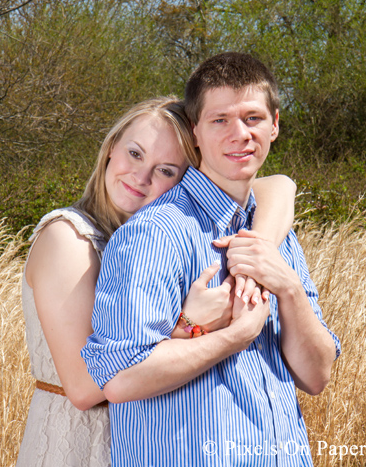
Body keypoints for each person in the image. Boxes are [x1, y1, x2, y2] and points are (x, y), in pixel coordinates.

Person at [82, 53, 341, 466]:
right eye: (220, 120)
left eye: (253, 118)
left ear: (275, 125)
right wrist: (235, 336)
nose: (240, 134)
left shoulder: (276, 237)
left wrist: (287, 287)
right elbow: (120, 377)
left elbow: (316, 376)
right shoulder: (157, 233)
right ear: (195, 132)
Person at [17, 96, 298, 467]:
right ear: (111, 147)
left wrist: (253, 255)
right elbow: (86, 387)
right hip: (81, 442)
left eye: (166, 170)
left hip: (144, 440)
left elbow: (279, 185)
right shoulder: (68, 239)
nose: (141, 176)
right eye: (134, 154)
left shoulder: (150, 240)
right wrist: (190, 326)